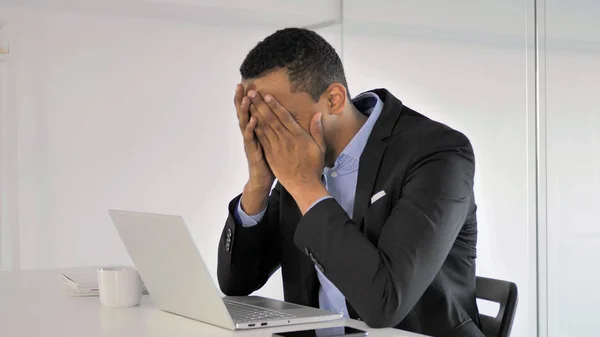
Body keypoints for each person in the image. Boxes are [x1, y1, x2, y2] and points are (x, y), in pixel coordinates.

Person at [217, 28, 483, 337]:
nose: (274, 135)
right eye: (260, 120)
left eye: (282, 118)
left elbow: (384, 304)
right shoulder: (298, 160)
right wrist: (259, 184)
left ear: (334, 98)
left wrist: (305, 186)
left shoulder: (439, 153)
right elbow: (237, 283)